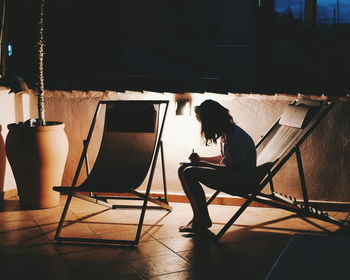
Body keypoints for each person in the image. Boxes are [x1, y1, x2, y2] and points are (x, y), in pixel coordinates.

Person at [178, 99, 257, 233]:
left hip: (240, 181)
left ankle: (202, 218)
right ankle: (198, 217)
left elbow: (233, 168)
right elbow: (225, 159)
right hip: (232, 176)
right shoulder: (228, 133)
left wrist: (203, 164)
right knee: (183, 170)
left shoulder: (235, 137)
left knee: (188, 172)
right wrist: (201, 159)